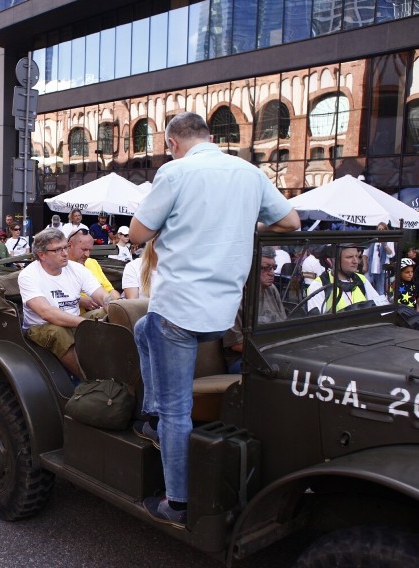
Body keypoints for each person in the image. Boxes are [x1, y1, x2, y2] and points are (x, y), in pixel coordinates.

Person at [128, 112, 299, 526]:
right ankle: (150, 416)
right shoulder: (248, 173)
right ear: (210, 137)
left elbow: (136, 235)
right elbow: (290, 222)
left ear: (172, 143)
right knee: (140, 327)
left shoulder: (175, 173)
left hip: (178, 310)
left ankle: (178, 503)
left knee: (176, 410)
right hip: (220, 316)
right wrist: (246, 225)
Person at [18, 228, 111, 382]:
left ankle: (118, 371)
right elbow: (46, 313)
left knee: (108, 314)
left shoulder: (77, 269)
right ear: (41, 255)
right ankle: (91, 382)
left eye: (65, 247)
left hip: (72, 321)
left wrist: (113, 307)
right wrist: (86, 323)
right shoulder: (28, 275)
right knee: (59, 333)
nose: (65, 253)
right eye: (57, 250)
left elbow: (101, 294)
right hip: (40, 327)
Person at [222, 247, 287, 373]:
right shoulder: (236, 296)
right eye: (265, 268)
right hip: (243, 359)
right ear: (249, 268)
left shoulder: (272, 289)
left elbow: (283, 325)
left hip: (272, 352)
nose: (272, 272)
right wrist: (273, 349)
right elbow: (236, 345)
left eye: (273, 267)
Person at [306, 244, 385, 314]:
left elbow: (380, 307)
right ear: (334, 260)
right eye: (349, 257)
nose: (356, 261)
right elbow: (317, 325)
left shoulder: (361, 279)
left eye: (357, 256)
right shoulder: (319, 285)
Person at [67, 229, 120, 311]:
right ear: (70, 245)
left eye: (90, 250)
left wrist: (119, 303)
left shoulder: (92, 263)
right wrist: (79, 300)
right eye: (84, 249)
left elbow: (110, 290)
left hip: (100, 311)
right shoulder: (60, 267)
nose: (87, 254)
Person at [363, 224, 395, 295]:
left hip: (382, 270)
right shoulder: (373, 240)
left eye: (382, 229)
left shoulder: (389, 241)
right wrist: (365, 265)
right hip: (371, 269)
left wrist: (385, 245)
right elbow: (365, 254)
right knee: (367, 289)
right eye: (379, 229)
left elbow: (391, 255)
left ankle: (379, 305)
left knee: (380, 290)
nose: (380, 231)